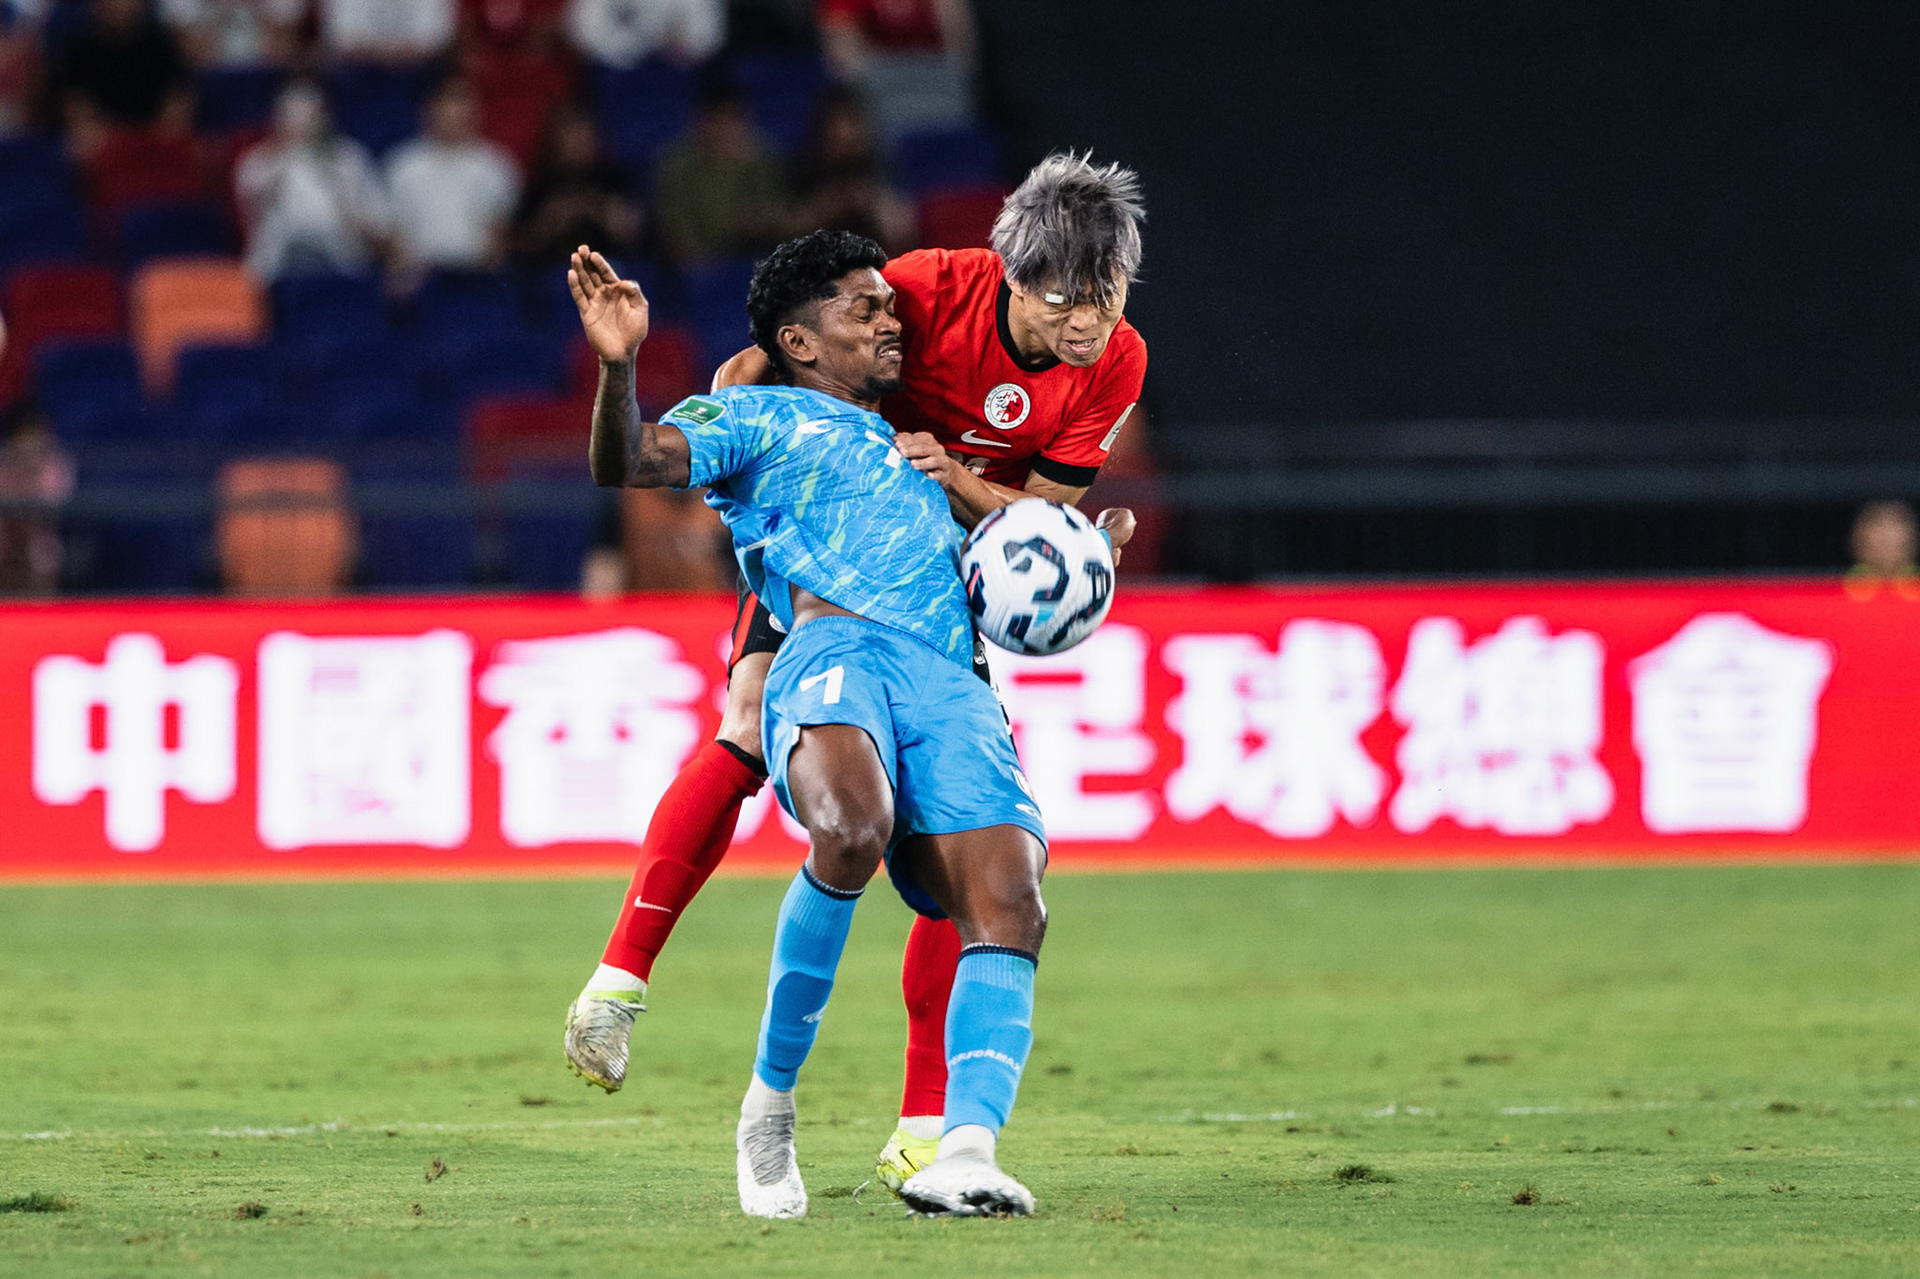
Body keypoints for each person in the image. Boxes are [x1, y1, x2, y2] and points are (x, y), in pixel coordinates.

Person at [563, 152, 1147, 1194]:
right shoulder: (917, 292)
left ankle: (936, 1136)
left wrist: (1064, 548)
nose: (1086, 321)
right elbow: (720, 398)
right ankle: (632, 989)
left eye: (1105, 298)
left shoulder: (1113, 360)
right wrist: (656, 382)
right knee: (756, 734)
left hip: (946, 586)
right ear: (1009, 277)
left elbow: (1045, 522)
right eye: (1065, 298)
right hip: (825, 594)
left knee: (983, 879)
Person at [235, 79, 391, 281]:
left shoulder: (350, 157)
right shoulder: (256, 161)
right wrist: (287, 158)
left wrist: (332, 178)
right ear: (277, 117)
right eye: (292, 112)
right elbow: (252, 213)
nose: (301, 121)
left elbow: (377, 224)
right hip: (274, 268)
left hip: (343, 265)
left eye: (309, 112)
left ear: (323, 116)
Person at [384, 76, 520, 285]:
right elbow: (395, 236)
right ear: (429, 109)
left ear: (475, 110)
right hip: (420, 280)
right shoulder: (403, 166)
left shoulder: (496, 166)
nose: (453, 112)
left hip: (478, 281)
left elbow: (499, 237)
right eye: (445, 102)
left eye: (461, 102)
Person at [653, 80, 788, 264]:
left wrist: (758, 223)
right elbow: (677, 238)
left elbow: (782, 221)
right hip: (698, 271)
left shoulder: (762, 161)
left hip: (758, 264)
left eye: (732, 119)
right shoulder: (678, 166)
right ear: (701, 121)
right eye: (717, 120)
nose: (724, 130)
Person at [48, 0, 193, 150]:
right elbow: (75, 102)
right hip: (102, 137)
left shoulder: (163, 44)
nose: (117, 5)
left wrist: (161, 130)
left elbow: (177, 97)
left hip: (154, 136)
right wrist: (106, 134)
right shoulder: (79, 48)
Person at [510, 102, 641, 265]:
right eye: (571, 135)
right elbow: (522, 243)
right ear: (556, 139)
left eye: (582, 134)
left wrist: (597, 210)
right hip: (552, 271)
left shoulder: (615, 179)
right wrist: (550, 221)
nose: (577, 142)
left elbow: (634, 233)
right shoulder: (542, 183)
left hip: (611, 266)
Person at [786, 83, 912, 252]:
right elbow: (786, 231)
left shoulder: (877, 164)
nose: (846, 133)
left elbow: (901, 229)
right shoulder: (804, 166)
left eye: (853, 123)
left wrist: (872, 205)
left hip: (871, 262)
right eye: (838, 124)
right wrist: (826, 207)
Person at [562, 0, 722, 70]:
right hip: (612, 70)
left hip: (670, 70)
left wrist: (679, 46)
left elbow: (707, 38)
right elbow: (583, 33)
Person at [1844, 499, 1919, 602]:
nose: (1886, 535)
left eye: (1896, 522)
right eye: (1875, 522)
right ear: (1856, 537)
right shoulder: (1836, 588)